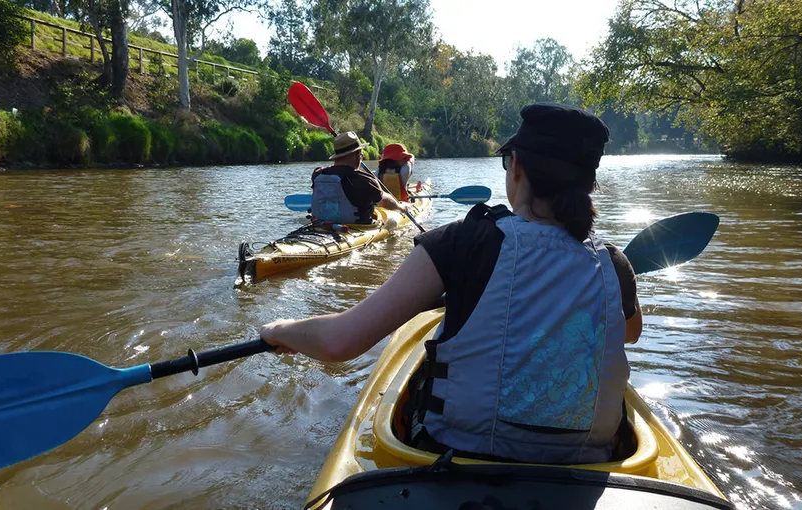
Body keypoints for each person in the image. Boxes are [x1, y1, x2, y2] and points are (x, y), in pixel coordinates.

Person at [261, 104, 643, 465]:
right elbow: (628, 334)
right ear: (588, 184)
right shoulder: (613, 263)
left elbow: (340, 341)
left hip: (454, 458)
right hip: (586, 467)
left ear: (517, 169)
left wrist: (281, 329)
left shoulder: (464, 241)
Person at [310, 131, 405, 225]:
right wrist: (400, 207)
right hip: (356, 229)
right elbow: (384, 201)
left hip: (321, 225)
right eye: (361, 154)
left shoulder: (318, 174)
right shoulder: (363, 179)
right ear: (357, 154)